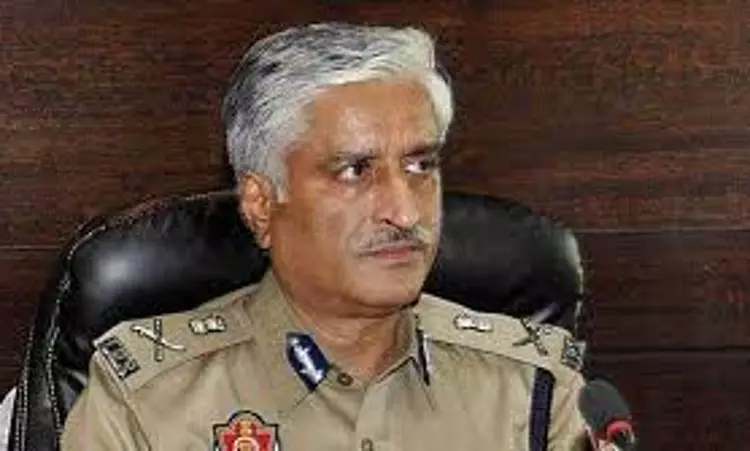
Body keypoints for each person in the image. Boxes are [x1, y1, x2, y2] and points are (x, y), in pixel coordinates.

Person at [61, 23, 589, 450]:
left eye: (421, 165)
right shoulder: (149, 402)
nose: (405, 212)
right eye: (354, 171)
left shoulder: (531, 391)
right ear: (261, 204)